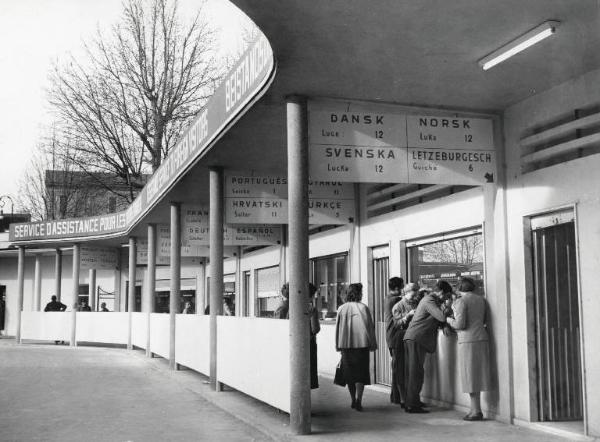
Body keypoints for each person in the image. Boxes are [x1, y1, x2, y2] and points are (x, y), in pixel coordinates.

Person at [403, 280, 453, 413]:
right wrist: (448, 305)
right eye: (446, 296)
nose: (446, 299)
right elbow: (441, 316)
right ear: (441, 292)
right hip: (416, 338)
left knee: (416, 372)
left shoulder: (431, 301)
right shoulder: (429, 300)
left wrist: (443, 325)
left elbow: (437, 319)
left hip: (415, 338)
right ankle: (412, 405)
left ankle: (412, 401)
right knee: (415, 372)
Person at [446, 277, 491, 421]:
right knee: (478, 375)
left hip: (468, 341)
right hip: (481, 338)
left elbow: (460, 324)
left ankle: (476, 410)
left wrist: (447, 319)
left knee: (470, 375)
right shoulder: (481, 300)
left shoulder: (460, 301)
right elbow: (484, 320)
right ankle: (474, 409)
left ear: (460, 288)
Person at [334, 283, 377, 411]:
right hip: (362, 345)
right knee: (361, 374)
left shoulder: (341, 308)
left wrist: (337, 345)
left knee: (350, 374)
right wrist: (372, 343)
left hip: (346, 346)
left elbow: (337, 329)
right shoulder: (364, 308)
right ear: (359, 294)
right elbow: (370, 328)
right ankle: (359, 400)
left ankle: (352, 399)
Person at [390, 281, 421, 408]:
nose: (414, 299)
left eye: (416, 296)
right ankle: (403, 399)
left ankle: (413, 398)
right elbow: (397, 324)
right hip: (401, 338)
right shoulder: (398, 306)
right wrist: (408, 315)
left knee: (413, 369)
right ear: (406, 293)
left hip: (413, 337)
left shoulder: (417, 303)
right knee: (401, 368)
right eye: (413, 296)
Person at [384, 276, 404, 404]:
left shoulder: (388, 298)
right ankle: (398, 397)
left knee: (396, 366)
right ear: (396, 288)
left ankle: (395, 396)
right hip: (395, 335)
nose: (403, 290)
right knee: (398, 368)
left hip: (390, 335)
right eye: (402, 287)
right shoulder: (396, 300)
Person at [308, 283, 321, 389]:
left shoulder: (293, 307)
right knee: (310, 371)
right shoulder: (311, 309)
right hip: (309, 342)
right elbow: (315, 329)